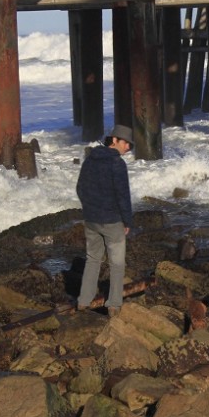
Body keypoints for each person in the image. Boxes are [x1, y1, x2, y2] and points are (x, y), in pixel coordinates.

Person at [76, 124, 134, 317]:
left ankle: (84, 301)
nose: (128, 147)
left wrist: (89, 209)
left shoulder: (90, 159)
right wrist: (127, 221)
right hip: (112, 221)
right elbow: (123, 196)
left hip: (91, 219)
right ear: (114, 140)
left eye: (130, 145)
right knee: (117, 263)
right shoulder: (117, 164)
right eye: (125, 143)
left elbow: (80, 189)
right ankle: (114, 305)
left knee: (93, 259)